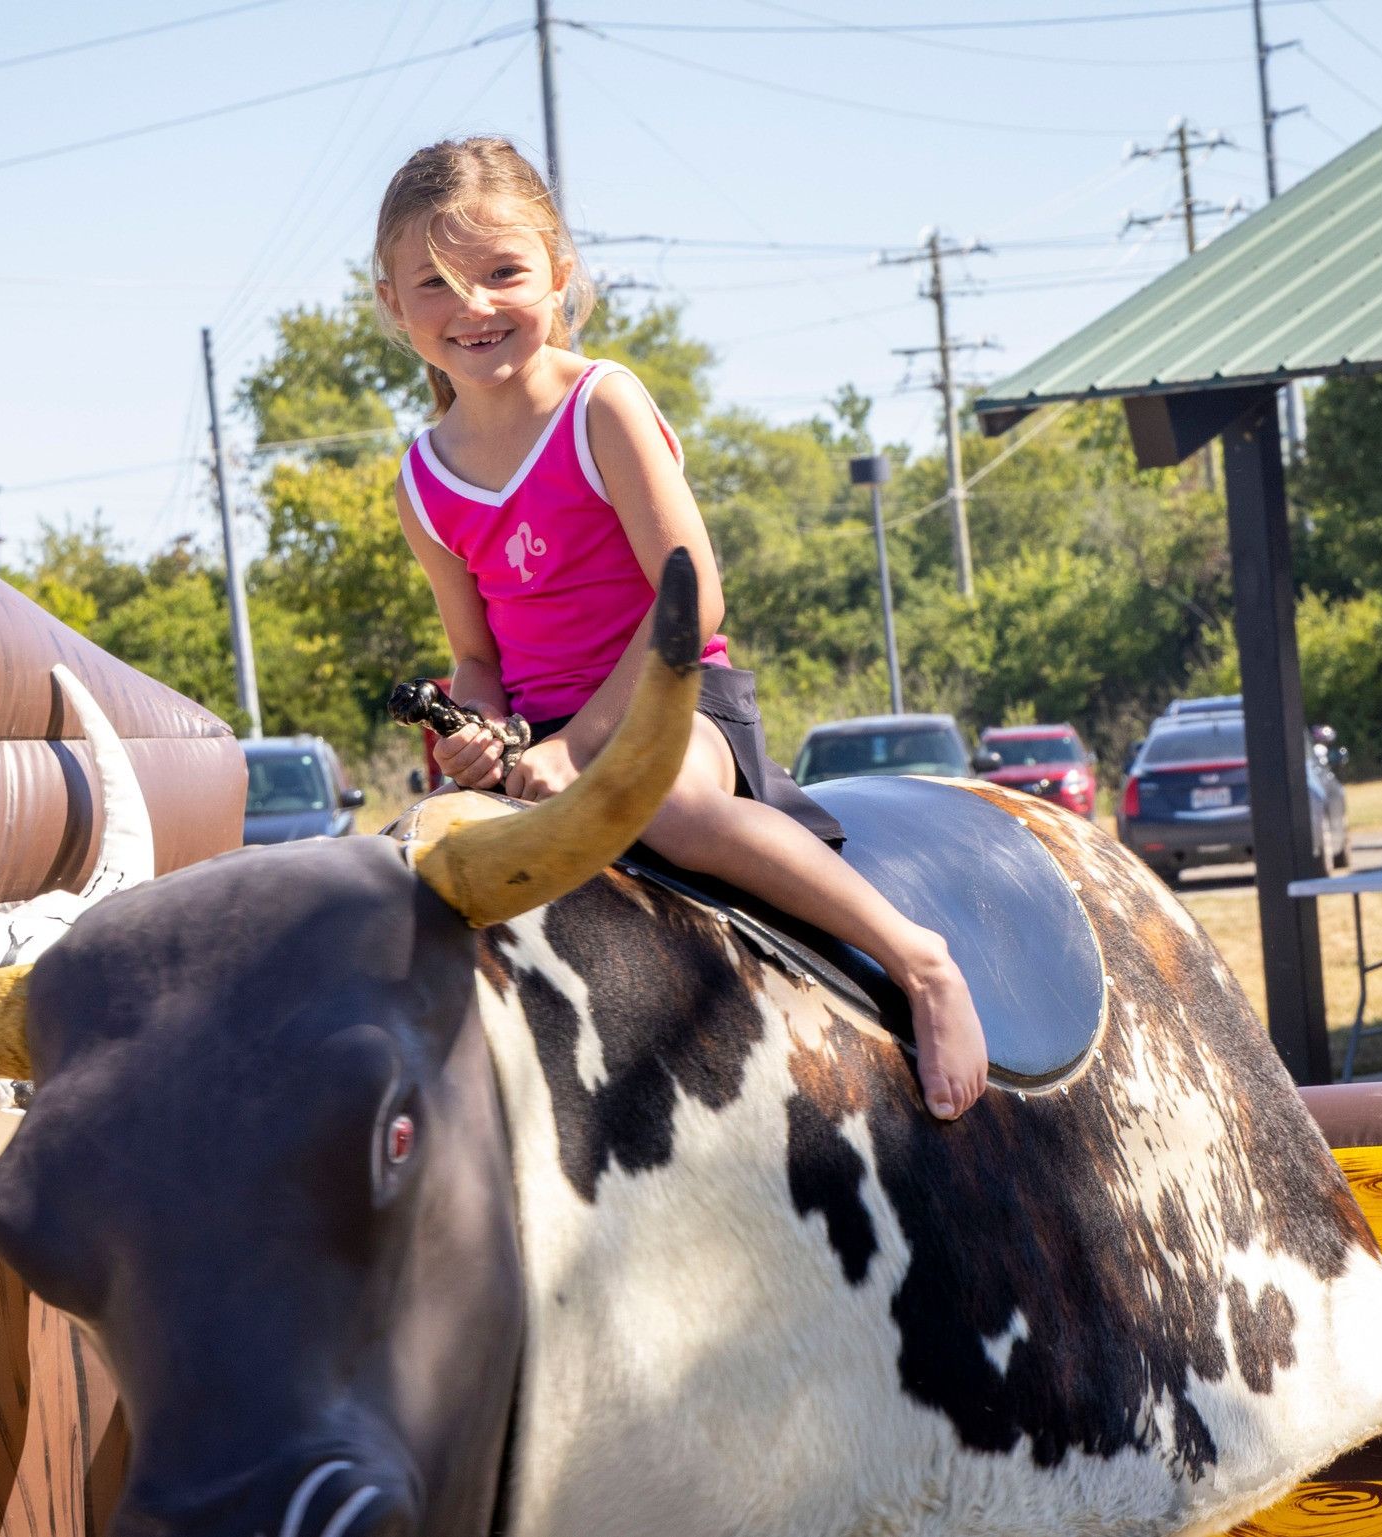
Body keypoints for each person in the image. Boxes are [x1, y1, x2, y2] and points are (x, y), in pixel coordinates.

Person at [372, 137, 988, 1120]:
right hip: (543, 744)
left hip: (673, 703)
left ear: (559, 274)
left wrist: (582, 745)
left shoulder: (599, 405)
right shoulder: (421, 481)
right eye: (436, 284)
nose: (473, 306)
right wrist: (473, 731)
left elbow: (691, 598)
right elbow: (478, 658)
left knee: (666, 808)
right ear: (392, 305)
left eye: (503, 273)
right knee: (416, 861)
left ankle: (918, 962)